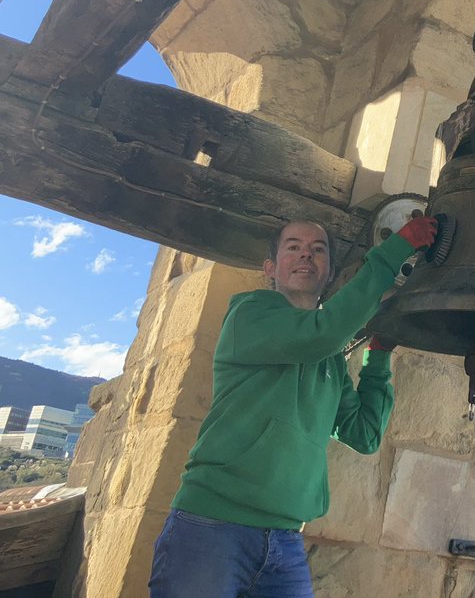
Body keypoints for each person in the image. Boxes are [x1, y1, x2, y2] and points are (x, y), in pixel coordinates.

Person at [148, 215, 438, 597]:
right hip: (212, 526)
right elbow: (324, 333)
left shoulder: (329, 355)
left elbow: (364, 433)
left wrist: (378, 357)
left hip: (285, 540)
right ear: (272, 269)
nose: (307, 254)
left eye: (318, 249)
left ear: (329, 271)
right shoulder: (249, 314)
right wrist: (392, 253)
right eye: (294, 247)